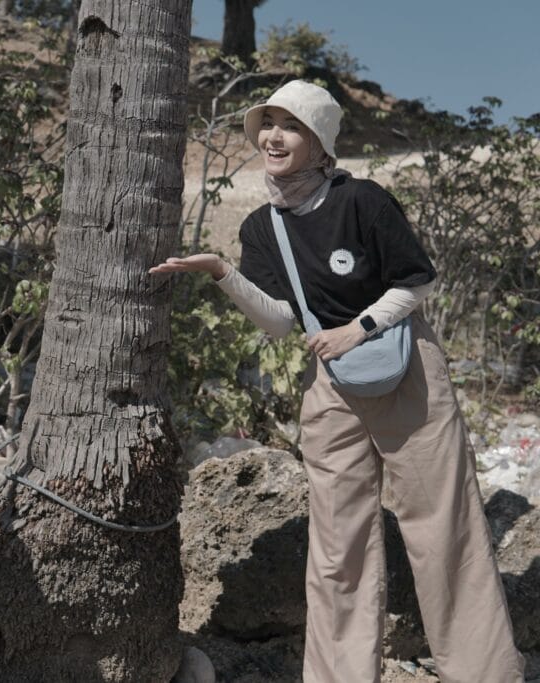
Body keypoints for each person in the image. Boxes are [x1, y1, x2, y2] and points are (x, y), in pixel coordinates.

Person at [151, 80, 524, 683]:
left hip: (408, 369)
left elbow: (417, 280)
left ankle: (483, 673)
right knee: (336, 547)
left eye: (289, 125)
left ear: (320, 143)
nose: (273, 135)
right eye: (266, 123)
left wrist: (360, 327)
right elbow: (280, 321)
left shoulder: (364, 202)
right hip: (330, 383)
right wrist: (223, 273)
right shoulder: (261, 227)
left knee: (442, 527)